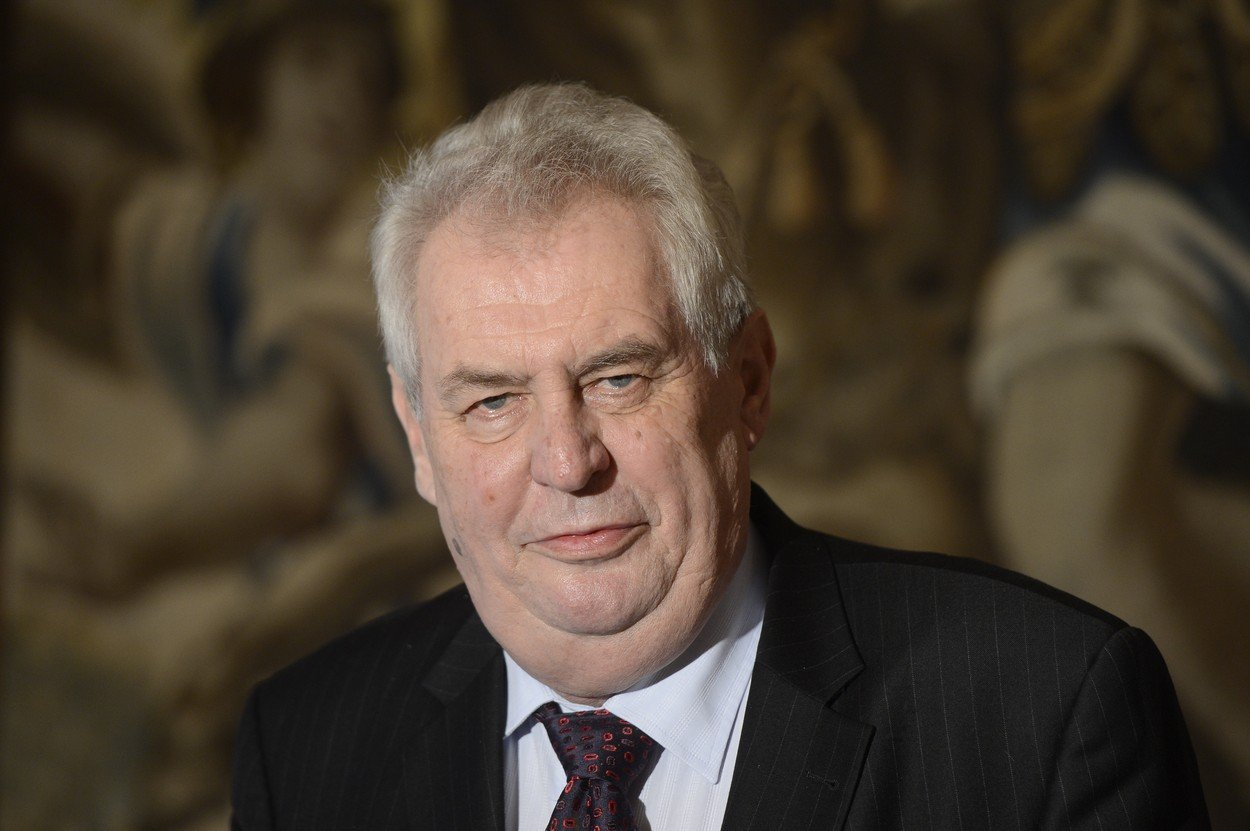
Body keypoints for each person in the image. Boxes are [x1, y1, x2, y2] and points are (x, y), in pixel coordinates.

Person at [230, 83, 1208, 829]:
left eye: (618, 378)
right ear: (416, 436)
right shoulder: (306, 747)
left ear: (748, 381)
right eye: (492, 401)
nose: (566, 462)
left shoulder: (1045, 713)